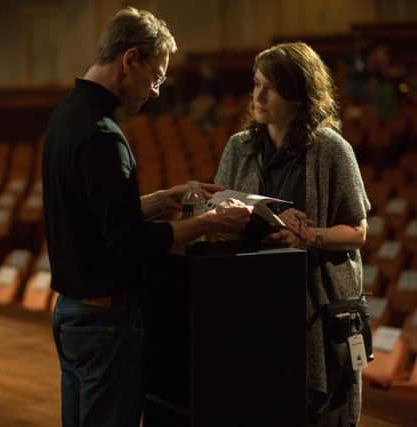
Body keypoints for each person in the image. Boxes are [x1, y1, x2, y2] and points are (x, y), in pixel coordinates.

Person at [42, 7, 251, 427]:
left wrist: (164, 198)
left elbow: (95, 217)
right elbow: (128, 244)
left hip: (71, 314)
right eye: (156, 77)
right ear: (130, 60)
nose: (156, 91)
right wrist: (209, 224)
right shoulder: (103, 136)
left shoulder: (66, 117)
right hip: (104, 321)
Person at [214, 42, 370, 427]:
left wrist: (308, 236)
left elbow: (358, 232)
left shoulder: (332, 149)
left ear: (299, 96)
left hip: (317, 305)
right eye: (255, 84)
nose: (258, 96)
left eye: (271, 87)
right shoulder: (240, 147)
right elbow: (220, 212)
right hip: (255, 299)